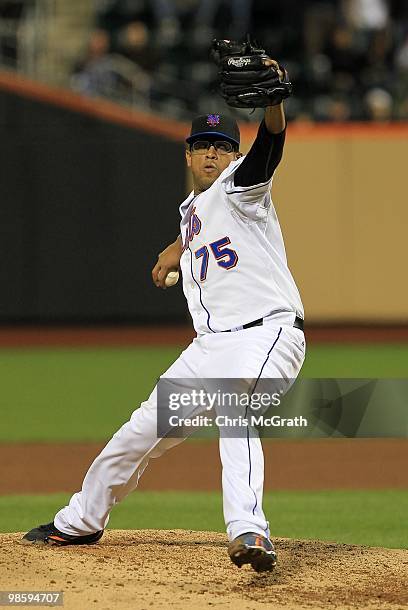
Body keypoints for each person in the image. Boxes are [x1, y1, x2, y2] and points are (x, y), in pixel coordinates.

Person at [22, 79, 305, 572]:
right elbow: (201, 225)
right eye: (202, 147)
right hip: (210, 348)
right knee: (140, 431)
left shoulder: (242, 186)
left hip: (266, 335)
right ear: (188, 156)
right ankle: (81, 521)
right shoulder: (195, 211)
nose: (212, 155)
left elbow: (270, 147)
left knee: (235, 409)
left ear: (233, 157)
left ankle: (249, 530)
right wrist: (178, 246)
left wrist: (274, 103)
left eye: (222, 147)